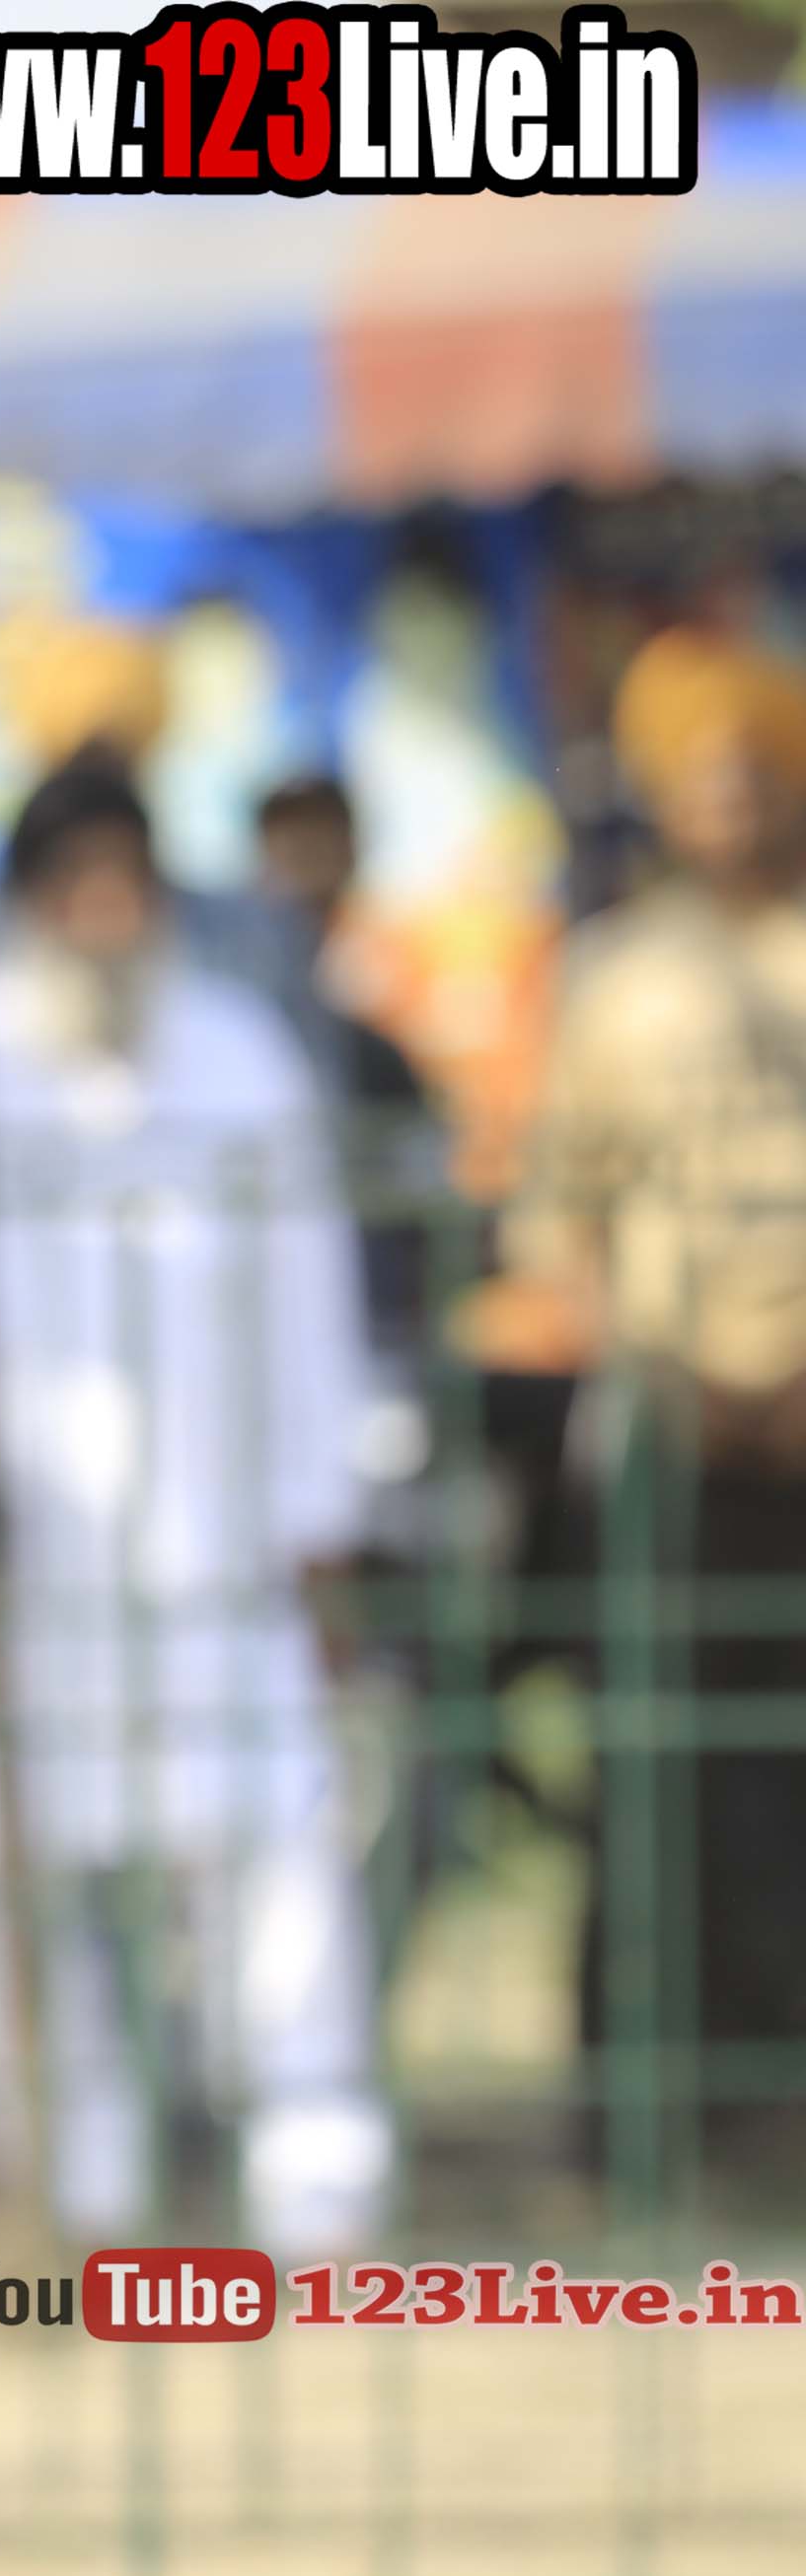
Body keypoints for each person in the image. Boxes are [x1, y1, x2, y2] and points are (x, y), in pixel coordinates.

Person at [0, 751, 394, 2254]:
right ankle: (68, 2188)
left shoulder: (238, 1056)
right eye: (72, 888)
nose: (103, 917)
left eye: (126, 886)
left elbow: (309, 1309)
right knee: (12, 1877)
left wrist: (320, 1529)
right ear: (28, 905)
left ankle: (316, 2191)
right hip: (14, 1553)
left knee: (278, 1860)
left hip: (218, 1542)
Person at [502, 628, 806, 2173]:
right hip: (678, 1437)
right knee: (659, 1770)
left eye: (755, 769)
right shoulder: (625, 974)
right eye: (704, 775)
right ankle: (646, 2119)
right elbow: (559, 1217)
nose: (732, 799)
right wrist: (666, 1369)